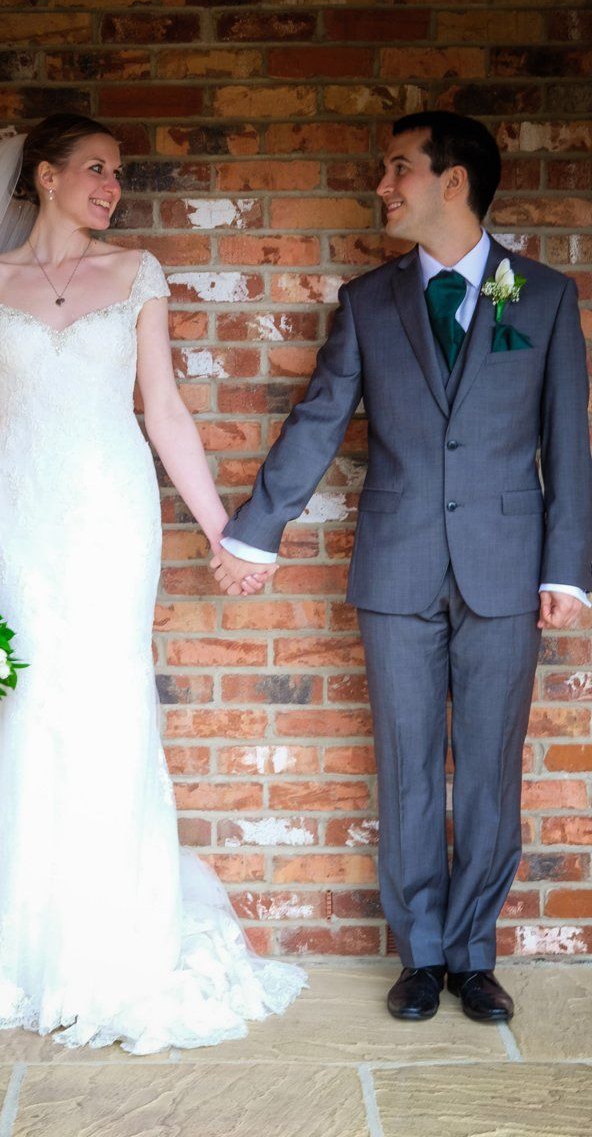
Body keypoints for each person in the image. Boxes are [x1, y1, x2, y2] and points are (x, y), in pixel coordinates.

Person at [0, 114, 305, 1053]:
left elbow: (163, 409)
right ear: (45, 175)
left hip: (115, 521)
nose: (112, 186)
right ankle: (27, 943)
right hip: (22, 527)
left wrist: (221, 529)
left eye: (120, 173)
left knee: (109, 707)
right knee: (29, 711)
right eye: (97, 169)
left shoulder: (136, 274)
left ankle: (117, 941)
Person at [213, 111, 592, 1023]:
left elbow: (567, 442)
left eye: (398, 169)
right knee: (409, 765)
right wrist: (254, 534)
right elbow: (318, 419)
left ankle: (474, 955)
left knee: (492, 769)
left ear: (452, 182)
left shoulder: (539, 296)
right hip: (396, 565)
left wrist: (568, 570)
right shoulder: (368, 300)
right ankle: (422, 954)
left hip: (508, 566)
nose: (383, 187)